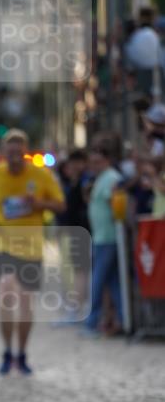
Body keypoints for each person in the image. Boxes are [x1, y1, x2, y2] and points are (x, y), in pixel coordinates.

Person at [0, 129, 66, 375]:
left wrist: (39, 204)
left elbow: (60, 205)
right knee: (6, 292)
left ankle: (21, 353)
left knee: (26, 301)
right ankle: (7, 351)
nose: (15, 156)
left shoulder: (41, 175)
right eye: (10, 152)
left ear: (25, 153)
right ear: (3, 153)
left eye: (19, 152)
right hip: (2, 245)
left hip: (31, 247)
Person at [84, 140, 124, 336]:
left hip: (107, 237)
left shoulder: (111, 178)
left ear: (107, 160)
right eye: (92, 162)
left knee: (98, 281)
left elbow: (114, 204)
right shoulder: (101, 177)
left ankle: (92, 322)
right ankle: (124, 320)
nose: (94, 166)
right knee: (114, 281)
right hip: (101, 236)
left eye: (98, 161)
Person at [55, 149, 91, 323]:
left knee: (81, 272)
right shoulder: (74, 182)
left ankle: (78, 310)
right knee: (80, 271)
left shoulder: (85, 181)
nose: (72, 167)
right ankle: (79, 308)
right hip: (75, 231)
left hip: (83, 231)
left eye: (76, 163)